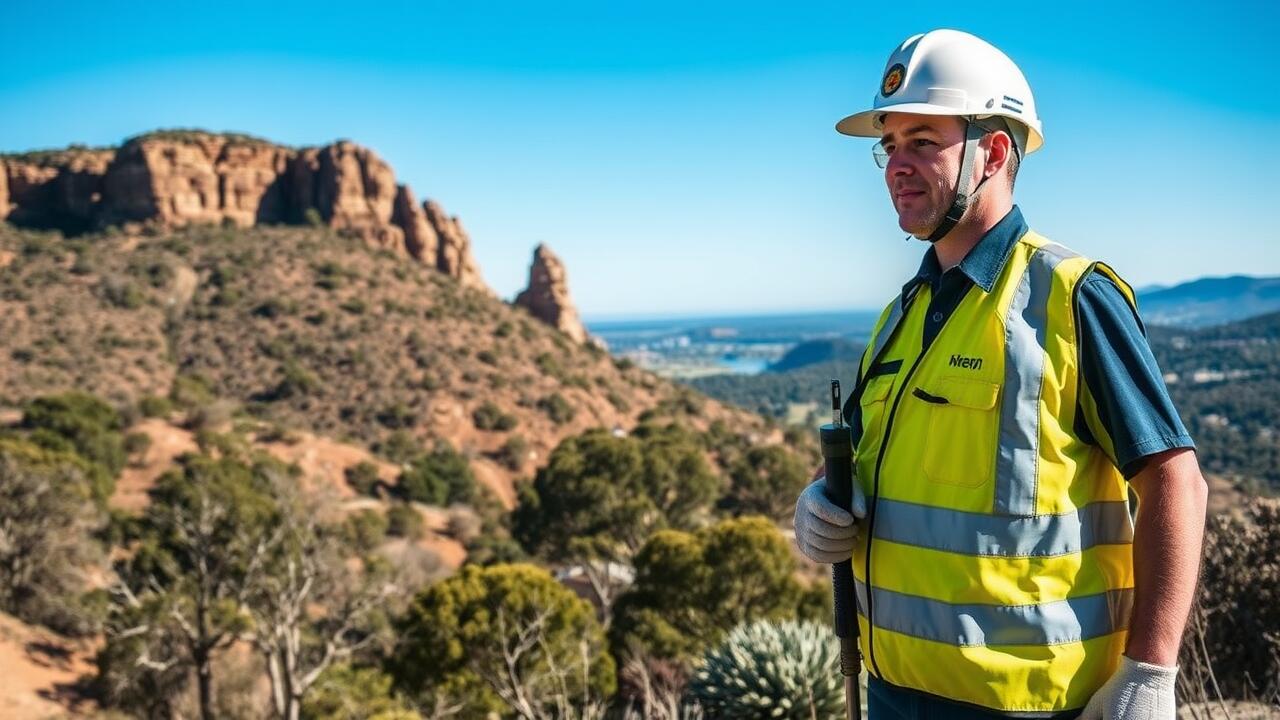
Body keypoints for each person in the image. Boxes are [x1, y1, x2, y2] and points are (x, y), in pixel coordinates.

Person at [792, 29, 1207, 720]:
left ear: (992, 152)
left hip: (1031, 706)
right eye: (888, 146)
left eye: (923, 141)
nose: (896, 164)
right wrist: (820, 502)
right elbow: (875, 467)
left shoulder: (1070, 296)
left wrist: (1149, 671)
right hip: (893, 693)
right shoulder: (903, 313)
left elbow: (1175, 480)